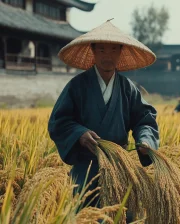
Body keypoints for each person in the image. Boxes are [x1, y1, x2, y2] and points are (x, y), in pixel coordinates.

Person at [47, 19, 159, 221]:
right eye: (102, 50)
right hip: (86, 170)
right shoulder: (77, 86)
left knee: (124, 214)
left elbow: (145, 119)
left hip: (119, 168)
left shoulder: (128, 88)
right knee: (84, 215)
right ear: (92, 50)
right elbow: (58, 121)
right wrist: (79, 133)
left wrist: (145, 140)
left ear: (121, 52)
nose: (108, 56)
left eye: (114, 50)